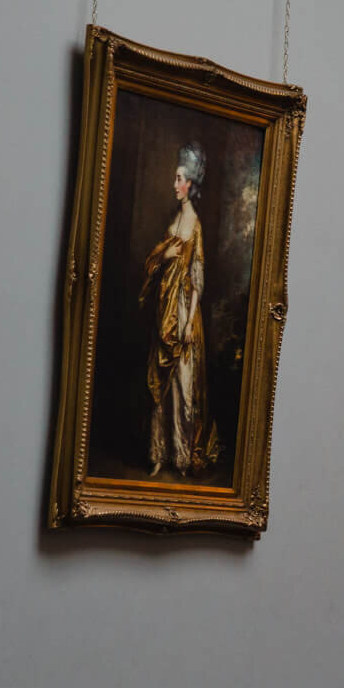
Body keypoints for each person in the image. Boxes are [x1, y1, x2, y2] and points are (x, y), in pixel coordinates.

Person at [142, 143, 219, 477]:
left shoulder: (194, 223)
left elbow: (198, 274)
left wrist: (189, 321)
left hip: (185, 311)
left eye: (179, 179)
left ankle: (183, 457)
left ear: (191, 184)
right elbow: (158, 260)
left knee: (183, 391)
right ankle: (159, 453)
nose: (175, 184)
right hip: (165, 309)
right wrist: (165, 257)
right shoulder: (175, 219)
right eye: (175, 178)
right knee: (162, 387)